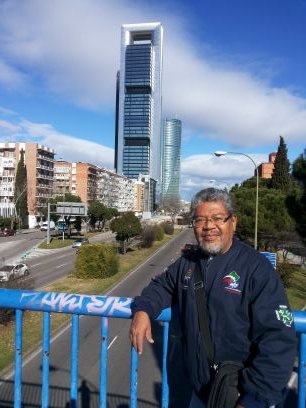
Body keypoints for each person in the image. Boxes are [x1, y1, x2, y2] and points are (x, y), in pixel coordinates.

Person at [130, 188, 296, 408]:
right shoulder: (188, 263)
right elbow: (162, 285)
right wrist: (143, 310)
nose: (208, 227)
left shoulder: (257, 269)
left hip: (242, 395)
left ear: (233, 222)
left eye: (217, 218)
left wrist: (254, 399)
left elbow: (278, 339)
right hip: (202, 393)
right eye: (200, 220)